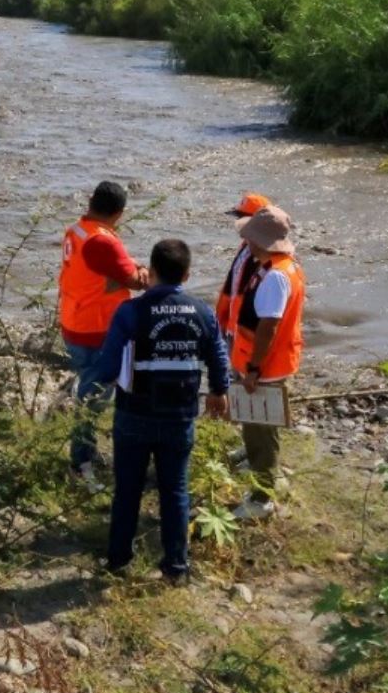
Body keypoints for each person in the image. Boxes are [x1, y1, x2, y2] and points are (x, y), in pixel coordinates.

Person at [98, 238, 231, 581]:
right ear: (187, 275)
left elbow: (107, 367)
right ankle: (176, 567)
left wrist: (107, 377)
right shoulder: (202, 312)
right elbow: (218, 356)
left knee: (127, 489)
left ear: (151, 272)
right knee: (175, 490)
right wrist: (219, 390)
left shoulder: (130, 312)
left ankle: (118, 562)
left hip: (134, 415)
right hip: (180, 416)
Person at [59, 180, 148, 478]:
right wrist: (140, 273)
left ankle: (86, 450)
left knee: (88, 390)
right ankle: (80, 463)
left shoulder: (77, 230)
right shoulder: (103, 241)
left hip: (74, 322)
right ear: (119, 214)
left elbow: (118, 269)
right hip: (96, 329)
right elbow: (136, 281)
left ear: (91, 203)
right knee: (94, 399)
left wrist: (124, 273)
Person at [227, 206, 308, 487]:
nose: (246, 242)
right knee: (257, 424)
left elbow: (268, 327)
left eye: (249, 237)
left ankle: (264, 492)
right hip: (270, 361)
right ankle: (257, 462)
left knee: (261, 427)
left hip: (265, 366)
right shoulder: (282, 266)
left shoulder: (274, 277)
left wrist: (253, 369)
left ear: (259, 241)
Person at [215, 192, 273, 348]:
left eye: (241, 218)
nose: (238, 223)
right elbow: (230, 290)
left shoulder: (265, 256)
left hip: (247, 338)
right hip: (232, 332)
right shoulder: (246, 247)